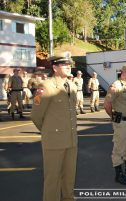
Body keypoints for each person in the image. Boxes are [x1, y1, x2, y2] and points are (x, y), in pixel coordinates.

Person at [31, 52, 78, 201]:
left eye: (69, 65)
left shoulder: (71, 85)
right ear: (55, 67)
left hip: (71, 140)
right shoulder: (45, 86)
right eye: (64, 64)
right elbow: (36, 115)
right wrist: (49, 131)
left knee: (69, 176)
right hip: (54, 141)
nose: (69, 67)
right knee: (52, 178)